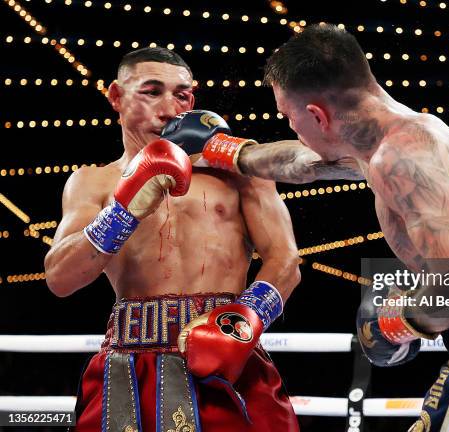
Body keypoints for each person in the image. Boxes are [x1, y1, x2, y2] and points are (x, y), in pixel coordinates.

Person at [165, 24, 449, 431]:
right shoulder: (397, 137)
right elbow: (299, 162)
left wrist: (395, 322)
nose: (291, 126)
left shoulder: (401, 157)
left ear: (318, 115)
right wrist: (218, 148)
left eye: (289, 115)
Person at [44, 47, 301, 432]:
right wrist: (125, 207)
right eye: (151, 91)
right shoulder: (92, 181)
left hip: (227, 355)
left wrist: (241, 322)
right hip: (128, 365)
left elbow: (286, 263)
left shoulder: (238, 174)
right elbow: (60, 278)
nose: (168, 109)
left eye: (181, 95)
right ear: (116, 96)